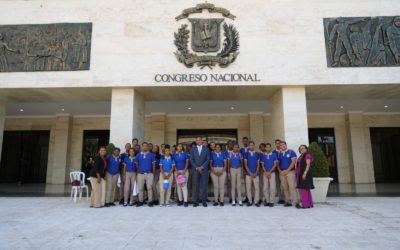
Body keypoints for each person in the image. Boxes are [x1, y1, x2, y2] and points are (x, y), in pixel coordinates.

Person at [190, 136, 210, 207]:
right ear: (196, 141)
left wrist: (202, 167)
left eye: (199, 140)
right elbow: (191, 159)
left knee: (204, 186)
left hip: (204, 170)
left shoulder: (206, 149)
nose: (198, 141)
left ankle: (204, 201)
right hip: (195, 170)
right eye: (197, 140)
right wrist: (196, 167)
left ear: (202, 141)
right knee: (196, 186)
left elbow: (208, 159)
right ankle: (196, 201)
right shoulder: (192, 149)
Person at [278, 141, 298, 207]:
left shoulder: (291, 152)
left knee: (292, 187)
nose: (282, 146)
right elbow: (277, 164)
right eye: (281, 145)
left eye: (284, 144)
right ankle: (287, 201)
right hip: (282, 173)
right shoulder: (279, 153)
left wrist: (287, 170)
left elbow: (293, 162)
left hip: (290, 172)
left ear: (286, 145)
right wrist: (280, 171)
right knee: (285, 188)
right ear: (280, 146)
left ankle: (295, 202)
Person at [135, 142, 156, 207]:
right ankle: (141, 201)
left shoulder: (151, 155)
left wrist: (153, 173)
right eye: (144, 146)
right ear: (142, 147)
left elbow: (153, 164)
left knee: (149, 188)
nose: (145, 147)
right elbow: (136, 164)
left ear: (147, 147)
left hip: (149, 173)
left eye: (146, 146)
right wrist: (138, 172)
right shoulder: (138, 155)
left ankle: (150, 201)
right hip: (140, 174)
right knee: (140, 188)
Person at [296, 145, 315, 209]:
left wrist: (304, 173)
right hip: (301, 174)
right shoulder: (301, 156)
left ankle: (305, 204)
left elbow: (308, 164)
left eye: (303, 148)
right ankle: (310, 203)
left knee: (304, 189)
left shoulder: (307, 155)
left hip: (305, 174)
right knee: (306, 189)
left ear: (306, 149)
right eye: (300, 148)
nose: (301, 149)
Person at [260, 143, 278, 207]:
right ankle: (267, 201)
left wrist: (269, 172)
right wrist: (266, 172)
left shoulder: (274, 155)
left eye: (269, 147)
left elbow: (275, 165)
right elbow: (262, 165)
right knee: (265, 188)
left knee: (272, 188)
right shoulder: (263, 155)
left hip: (272, 173)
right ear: (265, 148)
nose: (267, 148)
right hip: (265, 173)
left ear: (270, 148)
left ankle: (271, 201)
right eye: (266, 147)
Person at [244, 141, 261, 207]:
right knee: (248, 188)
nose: (251, 146)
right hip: (248, 174)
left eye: (252, 145)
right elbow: (245, 164)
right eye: (250, 145)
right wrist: (250, 173)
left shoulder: (257, 154)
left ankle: (256, 201)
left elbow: (258, 164)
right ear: (248, 146)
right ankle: (250, 201)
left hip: (256, 174)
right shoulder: (246, 154)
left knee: (256, 188)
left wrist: (256, 172)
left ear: (254, 146)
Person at [273, 139, 285, 204]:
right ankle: (280, 198)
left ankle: (284, 197)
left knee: (283, 184)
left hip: (283, 171)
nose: (278, 144)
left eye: (279, 143)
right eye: (276, 143)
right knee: (278, 185)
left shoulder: (283, 151)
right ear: (275, 144)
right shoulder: (273, 152)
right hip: (276, 171)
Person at [240, 137, 250, 203]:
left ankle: (252, 197)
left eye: (246, 141)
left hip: (251, 168)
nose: (245, 142)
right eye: (244, 141)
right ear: (242, 142)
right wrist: (242, 169)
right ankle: (247, 197)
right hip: (244, 168)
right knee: (247, 184)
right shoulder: (241, 150)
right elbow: (241, 159)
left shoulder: (250, 149)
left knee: (251, 184)